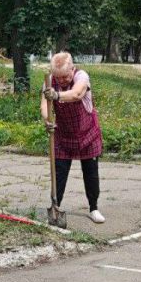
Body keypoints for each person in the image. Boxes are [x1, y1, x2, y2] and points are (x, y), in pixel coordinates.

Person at [41, 51, 105, 223]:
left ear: (72, 69)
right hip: (63, 135)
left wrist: (57, 95)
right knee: (59, 172)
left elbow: (76, 93)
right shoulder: (49, 82)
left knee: (90, 173)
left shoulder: (81, 76)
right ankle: (56, 207)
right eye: (58, 77)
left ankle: (94, 208)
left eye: (65, 76)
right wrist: (47, 120)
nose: (61, 81)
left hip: (87, 133)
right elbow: (45, 106)